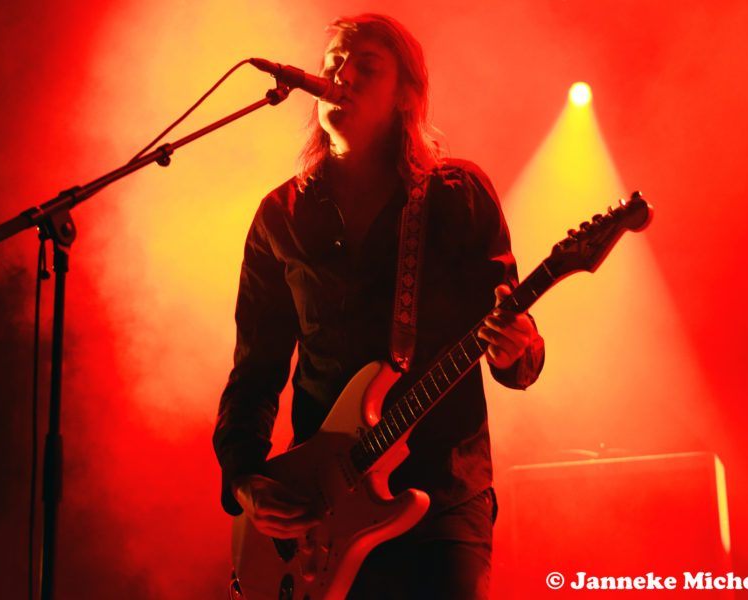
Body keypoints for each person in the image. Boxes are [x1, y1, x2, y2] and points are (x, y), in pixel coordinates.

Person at [213, 13, 545, 599]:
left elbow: (511, 335)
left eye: (365, 67)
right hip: (321, 509)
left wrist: (518, 347)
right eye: (334, 62)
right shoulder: (281, 217)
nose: (341, 76)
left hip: (442, 498)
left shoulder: (456, 195)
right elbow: (255, 372)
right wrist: (245, 479)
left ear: (405, 97)